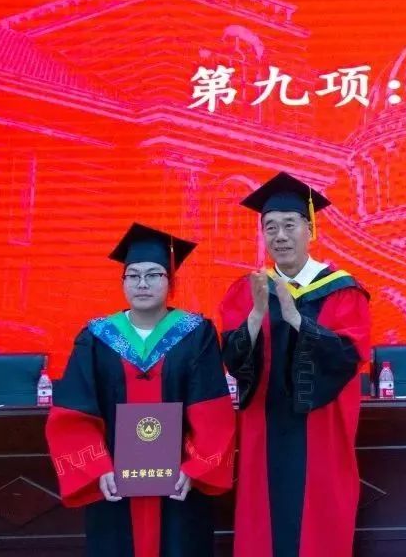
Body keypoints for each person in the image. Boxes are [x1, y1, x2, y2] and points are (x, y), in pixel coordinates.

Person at [46, 223, 236, 557]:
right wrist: (97, 468)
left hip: (178, 483)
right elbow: (73, 411)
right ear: (123, 282)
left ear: (170, 281)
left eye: (154, 274)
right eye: (132, 276)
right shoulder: (96, 337)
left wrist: (195, 468)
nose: (142, 283)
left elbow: (211, 409)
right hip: (114, 481)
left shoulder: (197, 334)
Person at [221, 172, 371, 557]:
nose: (280, 236)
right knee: (264, 521)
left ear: (310, 229)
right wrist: (257, 316)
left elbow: (347, 357)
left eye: (290, 225)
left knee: (319, 516)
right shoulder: (248, 290)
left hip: (319, 427)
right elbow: (233, 360)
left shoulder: (342, 290)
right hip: (264, 425)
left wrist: (297, 319)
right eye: (270, 227)